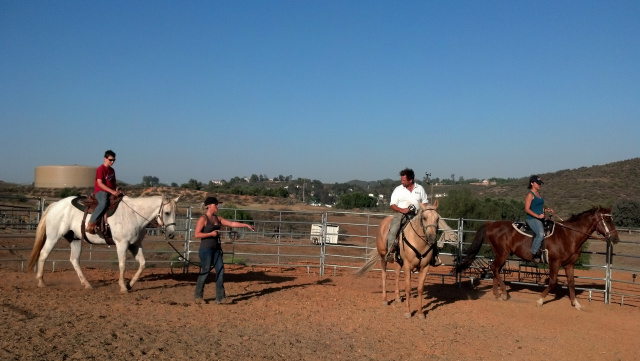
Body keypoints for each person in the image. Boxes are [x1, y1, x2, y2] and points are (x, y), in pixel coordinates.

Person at [194, 196, 255, 305]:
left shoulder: (218, 219)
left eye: (218, 204)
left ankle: (220, 298)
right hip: (206, 250)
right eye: (216, 204)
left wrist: (246, 225)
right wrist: (210, 234)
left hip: (217, 249)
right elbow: (197, 234)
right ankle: (198, 296)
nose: (218, 206)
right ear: (209, 206)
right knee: (205, 272)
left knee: (221, 271)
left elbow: (231, 224)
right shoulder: (203, 219)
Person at [387, 168, 432, 262]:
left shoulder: (420, 188)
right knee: (394, 228)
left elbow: (425, 202)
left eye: (403, 180)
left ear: (410, 180)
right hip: (402, 214)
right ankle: (391, 252)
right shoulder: (398, 189)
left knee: (432, 227)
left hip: (417, 215)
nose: (402, 181)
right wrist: (402, 210)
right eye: (401, 180)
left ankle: (433, 254)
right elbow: (392, 205)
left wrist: (422, 209)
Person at [87, 150, 123, 234]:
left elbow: (113, 182)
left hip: (111, 191)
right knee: (103, 203)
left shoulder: (112, 170)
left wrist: (117, 189)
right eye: (110, 160)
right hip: (101, 191)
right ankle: (91, 222)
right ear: (105, 158)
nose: (112, 162)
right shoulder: (101, 169)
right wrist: (112, 191)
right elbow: (100, 183)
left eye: (114, 160)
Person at [525, 175, 553, 263]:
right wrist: (537, 216)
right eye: (538, 183)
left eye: (540, 183)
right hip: (532, 219)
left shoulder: (539, 194)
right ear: (532, 183)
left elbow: (539, 208)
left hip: (540, 218)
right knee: (540, 234)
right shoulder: (530, 194)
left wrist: (547, 210)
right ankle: (533, 254)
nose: (539, 185)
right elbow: (527, 209)